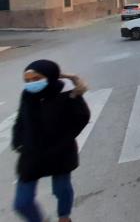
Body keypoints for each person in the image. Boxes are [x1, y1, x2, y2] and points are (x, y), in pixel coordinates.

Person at [12, 60, 90, 222]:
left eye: (36, 79)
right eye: (27, 80)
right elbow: (21, 119)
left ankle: (64, 217)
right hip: (31, 154)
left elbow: (82, 117)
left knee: (61, 190)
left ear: (50, 76)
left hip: (59, 152)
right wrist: (18, 140)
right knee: (22, 203)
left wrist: (64, 140)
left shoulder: (67, 93)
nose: (31, 83)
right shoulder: (27, 94)